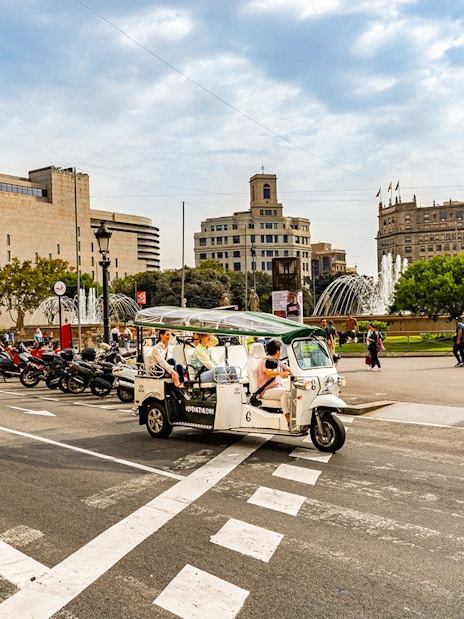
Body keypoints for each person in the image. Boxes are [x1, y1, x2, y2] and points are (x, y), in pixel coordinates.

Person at [258, 339, 291, 423]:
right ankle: (288, 419)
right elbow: (268, 372)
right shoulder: (265, 361)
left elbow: (288, 369)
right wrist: (280, 374)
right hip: (267, 391)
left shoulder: (278, 362)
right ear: (278, 351)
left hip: (277, 387)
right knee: (284, 393)